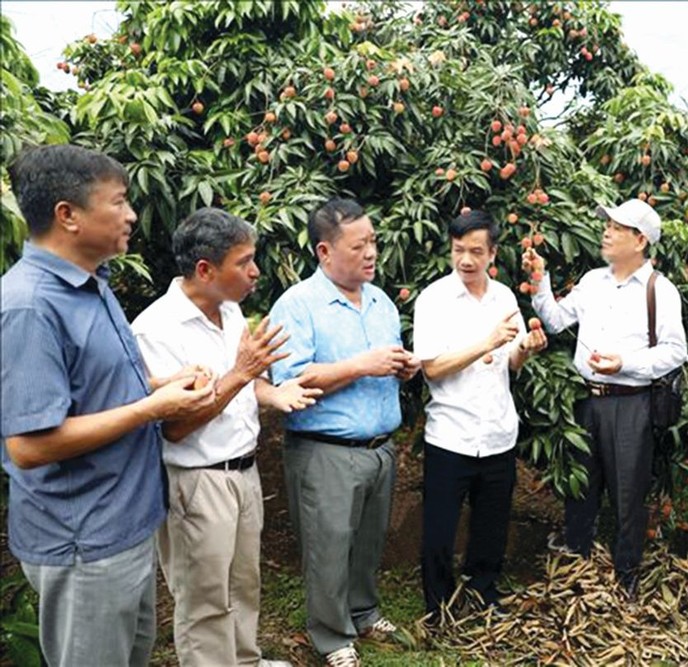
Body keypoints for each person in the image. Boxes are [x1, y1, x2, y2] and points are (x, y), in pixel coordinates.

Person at [0, 144, 216, 667]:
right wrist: (152, 408)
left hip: (125, 522)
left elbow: (102, 390)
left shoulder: (93, 284)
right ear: (67, 215)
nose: (132, 214)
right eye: (118, 202)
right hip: (84, 541)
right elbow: (29, 445)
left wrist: (165, 386)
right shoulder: (30, 306)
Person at [131, 207, 320, 667]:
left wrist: (271, 393)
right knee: (204, 597)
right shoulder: (156, 329)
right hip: (198, 480)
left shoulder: (229, 310)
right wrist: (241, 373)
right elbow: (175, 426)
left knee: (242, 582)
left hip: (243, 471)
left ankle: (246, 661)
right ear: (205, 269)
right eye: (245, 261)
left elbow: (246, 383)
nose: (255, 271)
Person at [267, 197, 421, 667]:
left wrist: (401, 368)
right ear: (325, 252)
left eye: (373, 241)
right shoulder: (297, 305)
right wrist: (360, 366)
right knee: (328, 544)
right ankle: (332, 636)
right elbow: (288, 380)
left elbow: (382, 362)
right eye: (359, 246)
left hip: (378, 446)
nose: (372, 252)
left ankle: (364, 610)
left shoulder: (380, 302)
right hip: (325, 449)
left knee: (368, 541)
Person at [527, 198, 687, 596]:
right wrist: (540, 280)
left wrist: (625, 364)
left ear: (640, 240)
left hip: (631, 402)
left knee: (628, 490)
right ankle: (576, 552)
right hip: (587, 398)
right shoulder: (593, 280)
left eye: (616, 227)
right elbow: (558, 319)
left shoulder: (659, 290)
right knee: (582, 481)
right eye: (607, 225)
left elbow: (674, 352)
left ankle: (626, 572)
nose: (606, 231)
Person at [413, 210, 548, 616]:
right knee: (439, 528)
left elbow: (511, 361)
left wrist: (526, 348)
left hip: (497, 432)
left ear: (493, 252)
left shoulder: (505, 296)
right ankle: (438, 604)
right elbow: (432, 367)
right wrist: (486, 343)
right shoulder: (434, 298)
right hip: (451, 433)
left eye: (475, 251)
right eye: (458, 251)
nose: (466, 260)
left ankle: (483, 592)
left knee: (491, 525)